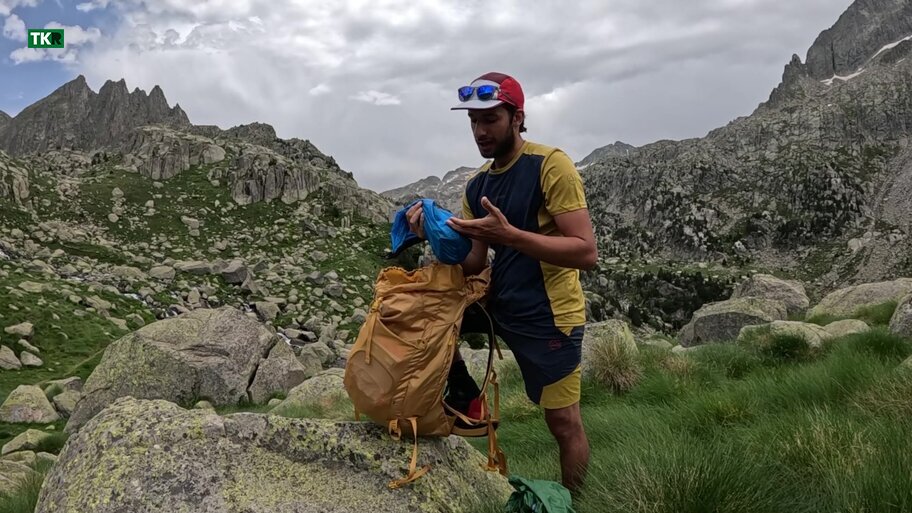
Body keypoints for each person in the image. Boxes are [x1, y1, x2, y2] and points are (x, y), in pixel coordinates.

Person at [405, 72, 598, 492]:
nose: (480, 131)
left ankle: (577, 502)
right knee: (417, 311)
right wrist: (431, 235)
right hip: (500, 301)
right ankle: (464, 394)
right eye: (473, 121)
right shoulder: (478, 185)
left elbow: (586, 252)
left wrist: (510, 237)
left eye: (490, 119)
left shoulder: (551, 165)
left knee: (563, 423)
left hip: (549, 313)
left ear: (517, 118)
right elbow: (474, 262)